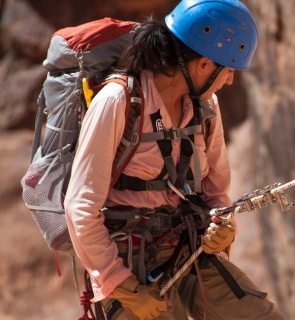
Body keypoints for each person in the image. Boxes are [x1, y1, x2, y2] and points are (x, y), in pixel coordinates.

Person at [63, 0, 283, 319]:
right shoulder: (118, 101)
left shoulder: (207, 108)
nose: (231, 80)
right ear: (204, 64)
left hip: (189, 249)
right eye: (229, 69)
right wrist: (124, 288)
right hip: (126, 261)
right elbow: (81, 206)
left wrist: (223, 229)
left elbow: (216, 194)